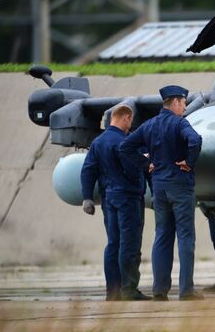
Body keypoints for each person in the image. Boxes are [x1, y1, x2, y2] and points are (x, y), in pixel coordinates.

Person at [119, 85, 204, 301]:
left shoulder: (149, 125)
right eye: (183, 103)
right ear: (175, 102)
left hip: (159, 188)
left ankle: (159, 290)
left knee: (162, 237)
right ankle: (186, 291)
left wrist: (146, 164)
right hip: (180, 187)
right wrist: (189, 162)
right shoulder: (180, 123)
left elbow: (126, 146)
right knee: (185, 237)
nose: (184, 107)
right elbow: (195, 140)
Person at [81, 105, 150, 301]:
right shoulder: (124, 142)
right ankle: (128, 289)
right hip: (128, 198)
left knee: (113, 244)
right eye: (130, 121)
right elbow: (131, 167)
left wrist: (87, 197)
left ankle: (113, 291)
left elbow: (88, 170)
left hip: (108, 199)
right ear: (127, 118)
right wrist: (144, 161)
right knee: (130, 244)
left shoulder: (98, 142)